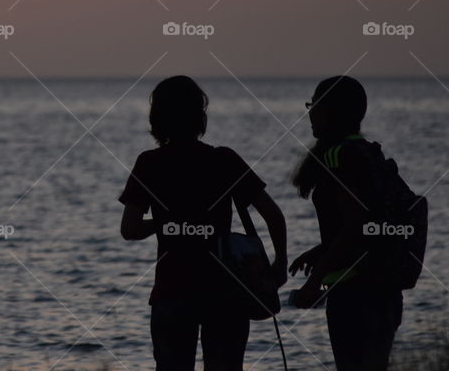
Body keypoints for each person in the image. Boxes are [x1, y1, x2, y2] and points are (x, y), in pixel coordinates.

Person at [120, 76, 288, 371]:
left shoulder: (149, 163)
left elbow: (130, 230)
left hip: (172, 291)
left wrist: (165, 224)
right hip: (226, 292)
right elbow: (273, 215)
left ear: (158, 118)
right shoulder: (224, 160)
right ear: (200, 117)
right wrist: (279, 264)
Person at [289, 76, 402, 370]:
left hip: (355, 294)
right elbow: (365, 224)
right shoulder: (367, 152)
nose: (309, 112)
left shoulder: (340, 156)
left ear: (329, 111)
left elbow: (354, 225)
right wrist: (318, 252)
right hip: (383, 288)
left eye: (313, 105)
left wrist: (314, 283)